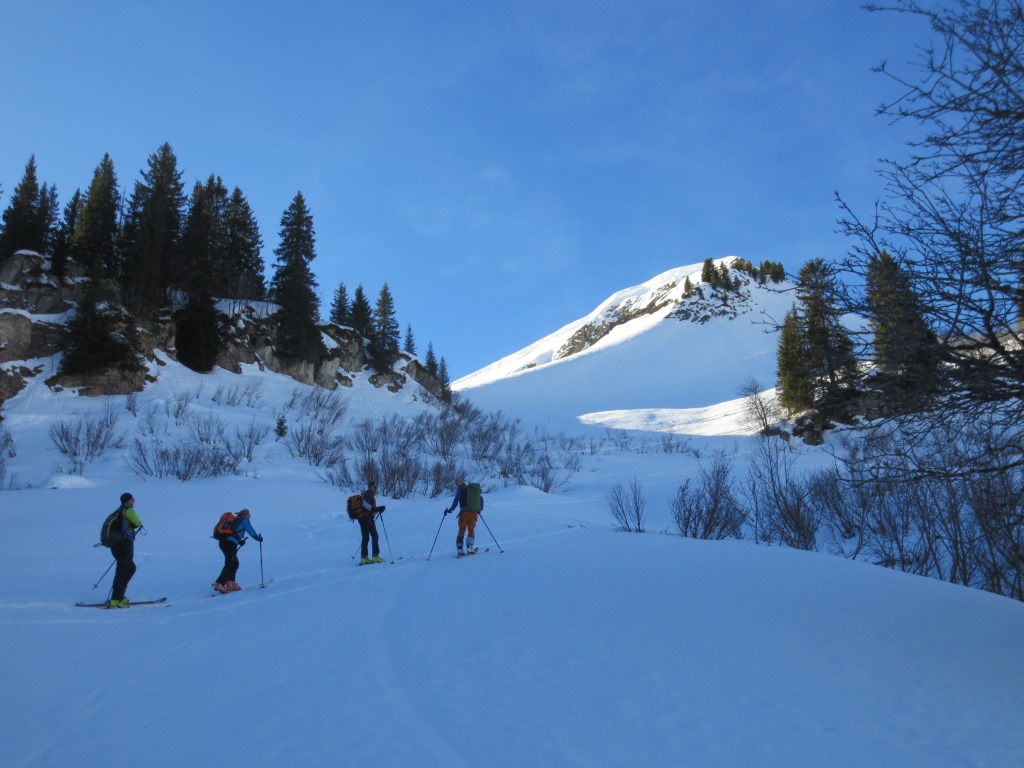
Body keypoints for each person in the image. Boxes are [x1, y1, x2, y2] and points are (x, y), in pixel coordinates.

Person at [213, 509, 263, 594]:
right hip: (230, 544)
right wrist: (258, 538)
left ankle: (230, 583)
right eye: (249, 515)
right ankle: (219, 584)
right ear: (246, 514)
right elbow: (251, 531)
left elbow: (232, 534)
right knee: (230, 562)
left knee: (234, 562)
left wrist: (239, 541)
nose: (249, 517)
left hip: (223, 543)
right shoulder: (244, 520)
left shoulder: (235, 521)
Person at [108, 492, 143, 608]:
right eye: (132, 499)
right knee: (123, 570)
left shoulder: (120, 511)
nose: (133, 501)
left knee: (129, 568)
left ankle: (119, 596)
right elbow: (138, 523)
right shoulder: (128, 510)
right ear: (127, 501)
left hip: (117, 545)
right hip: (125, 544)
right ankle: (116, 599)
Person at [443, 478, 483, 556]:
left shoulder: (461, 489)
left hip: (464, 514)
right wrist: (479, 509)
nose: (456, 484)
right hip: (474, 514)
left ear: (460, 483)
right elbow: (481, 499)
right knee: (471, 530)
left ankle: (460, 549)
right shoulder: (473, 491)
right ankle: (469, 547)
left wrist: (450, 509)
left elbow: (456, 500)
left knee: (461, 530)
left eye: (456, 483)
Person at [357, 481, 386, 565]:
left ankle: (364, 558)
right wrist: (376, 509)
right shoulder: (369, 494)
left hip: (361, 518)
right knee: (375, 535)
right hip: (367, 518)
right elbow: (365, 504)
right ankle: (375, 556)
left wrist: (377, 509)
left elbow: (364, 505)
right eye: (374, 487)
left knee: (365, 537)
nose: (375, 488)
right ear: (370, 487)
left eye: (376, 487)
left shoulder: (365, 493)